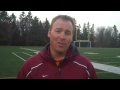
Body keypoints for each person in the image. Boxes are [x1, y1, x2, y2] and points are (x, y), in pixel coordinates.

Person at [17, 15, 97, 79]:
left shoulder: (86, 66)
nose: (62, 37)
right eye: (58, 31)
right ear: (49, 32)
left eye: (67, 33)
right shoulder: (30, 66)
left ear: (72, 37)